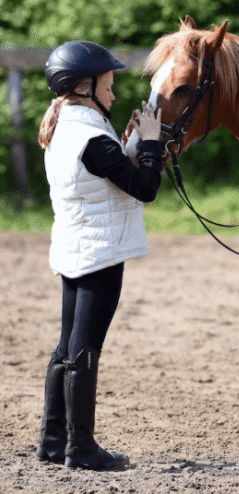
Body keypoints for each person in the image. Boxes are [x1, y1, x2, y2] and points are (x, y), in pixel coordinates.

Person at [35, 40, 164, 471]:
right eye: (107, 85)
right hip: (100, 253)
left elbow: (103, 177)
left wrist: (127, 145)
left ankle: (53, 442)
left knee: (65, 348)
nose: (112, 93)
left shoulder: (66, 125)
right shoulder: (92, 136)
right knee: (85, 349)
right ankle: (82, 449)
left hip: (74, 247)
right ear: (85, 86)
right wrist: (151, 145)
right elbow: (144, 189)